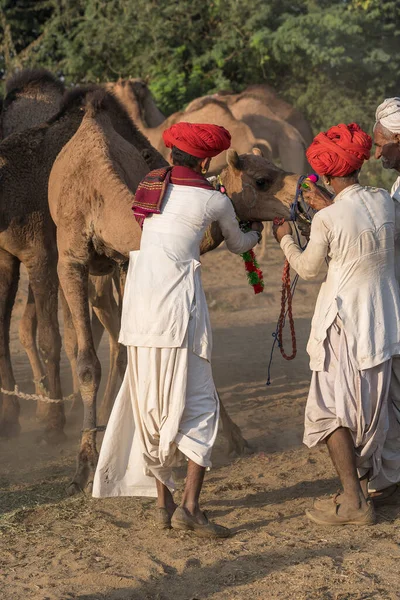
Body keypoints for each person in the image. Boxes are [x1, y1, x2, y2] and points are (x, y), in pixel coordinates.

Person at [92, 122, 263, 538]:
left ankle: (162, 504)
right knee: (200, 405)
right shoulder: (213, 199)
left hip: (140, 308)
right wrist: (258, 228)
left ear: (173, 156)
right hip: (177, 311)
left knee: (149, 401)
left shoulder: (151, 186)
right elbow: (240, 245)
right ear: (205, 161)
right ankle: (190, 507)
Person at [273, 122, 400, 526]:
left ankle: (353, 501)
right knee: (371, 409)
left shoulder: (328, 219)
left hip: (343, 324)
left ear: (325, 172)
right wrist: (330, 206)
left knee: (329, 411)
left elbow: (309, 269)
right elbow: (357, 219)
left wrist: (284, 239)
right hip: (383, 323)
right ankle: (367, 488)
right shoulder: (385, 200)